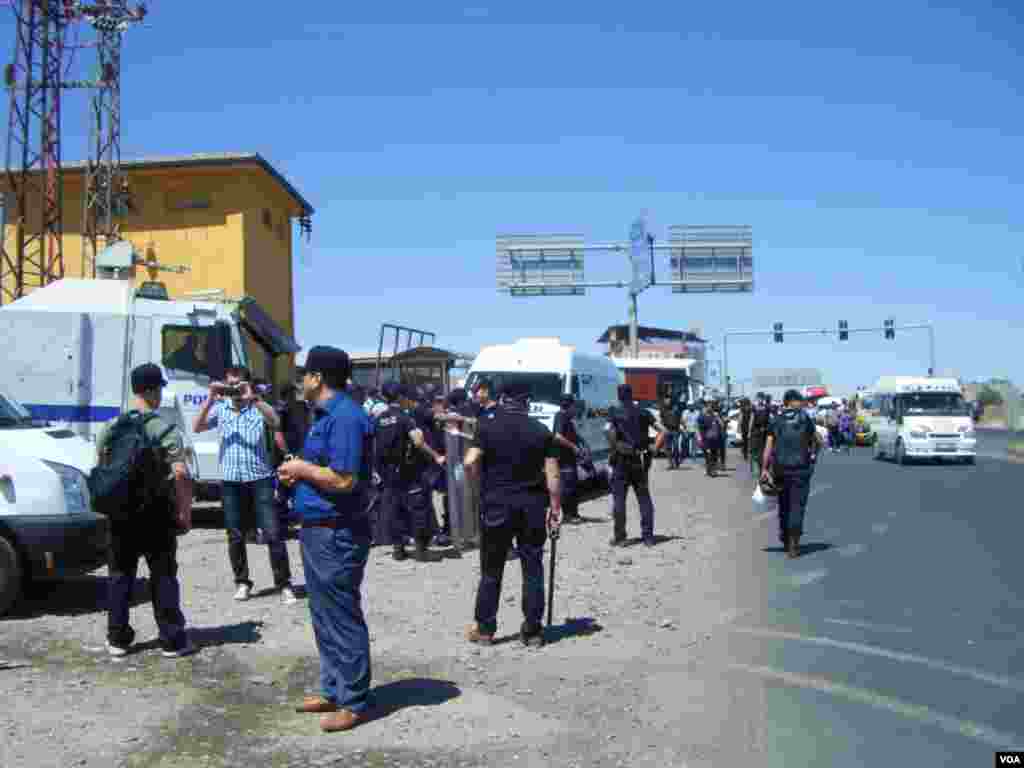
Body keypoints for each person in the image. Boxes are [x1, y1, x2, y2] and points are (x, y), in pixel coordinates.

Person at [278, 346, 375, 733]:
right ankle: (333, 689)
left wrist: (302, 468)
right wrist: (297, 473)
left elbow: (345, 479)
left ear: (318, 378)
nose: (301, 381)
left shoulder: (346, 418)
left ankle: (353, 701)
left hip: (338, 532)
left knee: (341, 615)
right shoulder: (322, 417)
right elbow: (324, 471)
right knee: (323, 615)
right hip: (317, 530)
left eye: (305, 375)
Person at [98, 363, 194, 658]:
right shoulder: (165, 430)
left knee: (119, 575)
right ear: (153, 390)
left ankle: (118, 639)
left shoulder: (111, 427)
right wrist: (184, 512)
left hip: (120, 515)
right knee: (163, 574)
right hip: (156, 514)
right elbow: (180, 474)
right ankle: (171, 639)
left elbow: (103, 467)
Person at [463, 379, 562, 647]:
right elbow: (552, 474)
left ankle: (484, 630)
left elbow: (470, 461)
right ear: (527, 401)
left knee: (491, 569)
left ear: (503, 398)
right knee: (532, 568)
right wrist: (555, 508)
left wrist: (478, 490)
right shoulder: (541, 431)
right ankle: (532, 631)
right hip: (531, 507)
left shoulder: (487, 427)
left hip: (496, 504)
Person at [193, 366, 295, 604]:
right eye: (230, 385)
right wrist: (210, 397)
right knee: (235, 535)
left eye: (238, 385)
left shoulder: (257, 408)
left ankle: (284, 584)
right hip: (230, 481)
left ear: (248, 384)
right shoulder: (221, 409)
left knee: (272, 533)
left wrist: (254, 397)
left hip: (259, 478)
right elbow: (197, 427)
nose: (234, 391)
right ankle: (242, 582)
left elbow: (276, 421)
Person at [375, 382, 445, 562]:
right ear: (400, 397)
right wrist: (436, 455)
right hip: (407, 469)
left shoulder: (379, 419)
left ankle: (398, 549)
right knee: (418, 507)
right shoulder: (405, 418)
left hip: (387, 471)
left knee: (395, 508)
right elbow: (418, 442)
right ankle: (421, 549)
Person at [760, 389, 823, 559]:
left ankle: (786, 537)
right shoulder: (805, 419)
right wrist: (813, 456)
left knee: (784, 504)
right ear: (790, 402)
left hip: (780, 469)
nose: (801, 403)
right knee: (798, 506)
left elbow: (768, 447)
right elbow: (819, 441)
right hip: (801, 469)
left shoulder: (776, 421)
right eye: (799, 401)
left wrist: (764, 469)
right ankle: (794, 544)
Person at [606, 384, 665, 547]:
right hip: (639, 460)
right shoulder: (644, 412)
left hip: (620, 461)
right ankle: (648, 537)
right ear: (632, 395)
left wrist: (615, 446)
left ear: (619, 396)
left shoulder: (614, 412)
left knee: (619, 500)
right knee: (644, 499)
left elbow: (608, 431)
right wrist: (654, 448)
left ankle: (620, 536)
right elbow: (663, 431)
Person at [552, 394, 583, 524]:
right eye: (574, 406)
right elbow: (558, 436)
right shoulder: (561, 416)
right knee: (568, 488)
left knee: (572, 486)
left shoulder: (566, 418)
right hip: (564, 459)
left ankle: (573, 513)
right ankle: (568, 515)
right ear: (569, 405)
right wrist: (573, 447)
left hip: (569, 458)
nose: (575, 409)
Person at [697, 400, 726, 477]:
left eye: (711, 407)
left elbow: (722, 425)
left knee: (714, 455)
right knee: (708, 455)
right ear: (706, 407)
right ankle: (711, 470)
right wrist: (699, 437)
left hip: (715, 439)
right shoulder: (701, 417)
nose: (710, 408)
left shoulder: (714, 416)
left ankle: (712, 470)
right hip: (705, 439)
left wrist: (717, 417)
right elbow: (698, 428)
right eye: (708, 406)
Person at [748, 395, 773, 476]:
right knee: (755, 451)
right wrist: (749, 432)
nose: (760, 400)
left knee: (764, 451)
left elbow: (770, 419)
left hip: (765, 432)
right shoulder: (754, 408)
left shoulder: (767, 408)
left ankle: (764, 468)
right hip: (756, 432)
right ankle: (756, 469)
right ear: (757, 399)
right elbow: (751, 420)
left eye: (762, 399)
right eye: (759, 398)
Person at [659, 395, 683, 469]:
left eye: (668, 400)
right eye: (665, 400)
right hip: (667, 430)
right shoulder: (662, 409)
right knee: (667, 448)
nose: (667, 401)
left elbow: (680, 418)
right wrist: (663, 428)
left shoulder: (676, 408)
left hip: (675, 430)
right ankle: (670, 464)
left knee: (676, 447)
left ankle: (676, 462)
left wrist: (682, 427)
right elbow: (661, 419)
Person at [739, 398, 753, 463]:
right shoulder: (750, 409)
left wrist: (739, 427)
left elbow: (740, 419)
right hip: (747, 427)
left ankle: (745, 455)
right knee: (747, 441)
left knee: (745, 442)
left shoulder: (743, 409)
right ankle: (746, 454)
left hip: (744, 427)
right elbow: (751, 419)